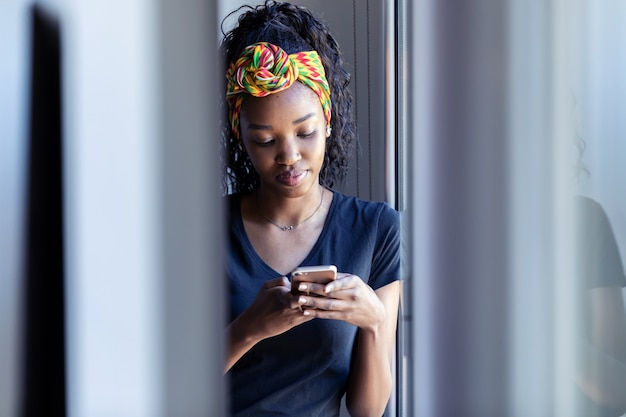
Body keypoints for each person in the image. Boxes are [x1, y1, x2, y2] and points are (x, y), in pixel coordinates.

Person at [219, 2, 401, 416]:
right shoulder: (205, 230)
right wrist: (249, 329)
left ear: (328, 120)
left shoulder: (377, 229)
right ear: (240, 135)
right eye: (265, 140)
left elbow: (366, 410)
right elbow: (169, 390)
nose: (288, 156)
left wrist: (372, 321)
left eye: (305, 133)